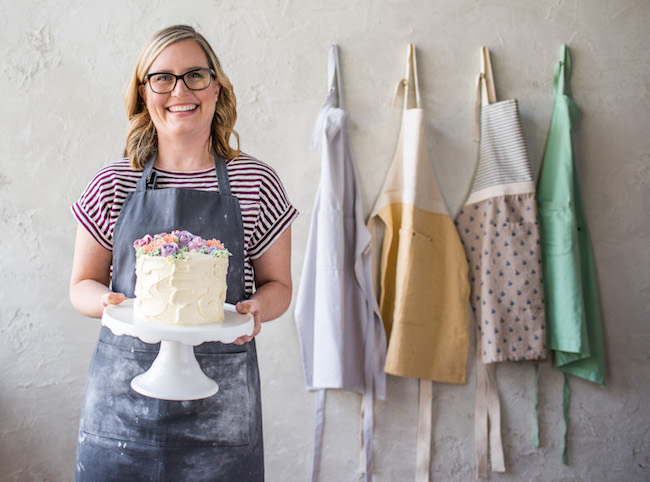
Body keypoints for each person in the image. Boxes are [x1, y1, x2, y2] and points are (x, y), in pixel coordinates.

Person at [69, 25, 298, 481]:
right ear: (144, 91)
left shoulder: (256, 182)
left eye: (195, 75)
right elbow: (81, 286)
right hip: (121, 410)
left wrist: (256, 309)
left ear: (216, 87)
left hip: (222, 409)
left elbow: (279, 286)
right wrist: (110, 304)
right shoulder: (112, 182)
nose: (180, 90)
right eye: (163, 78)